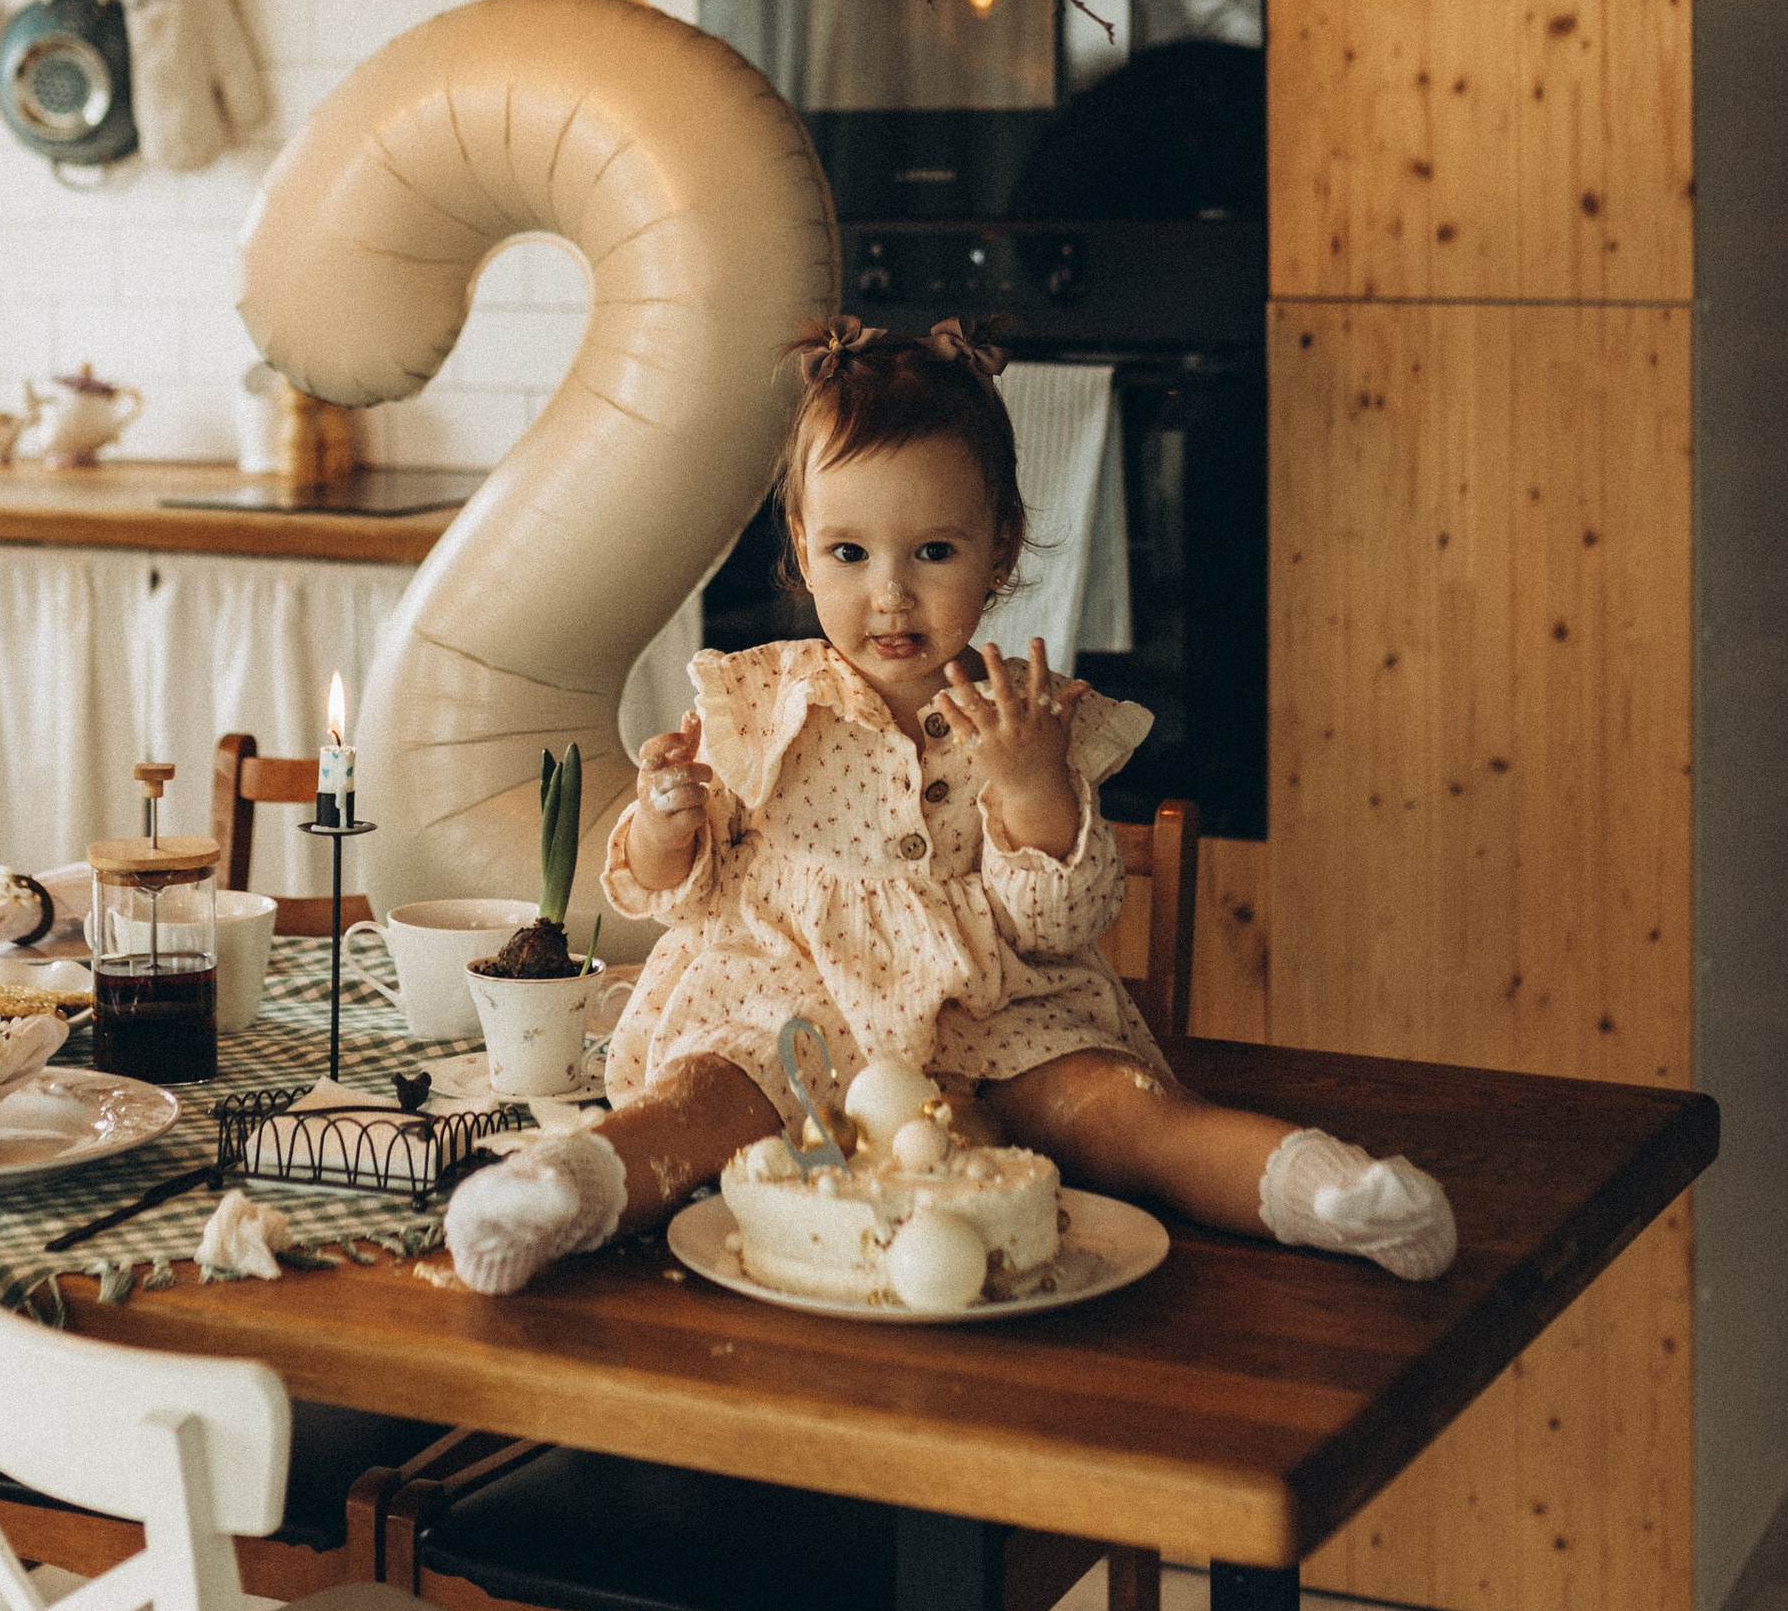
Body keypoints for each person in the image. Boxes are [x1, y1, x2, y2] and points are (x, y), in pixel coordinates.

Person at [443, 316, 1457, 1298]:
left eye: (931, 552)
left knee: (1128, 1116)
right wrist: (667, 822)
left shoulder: (1028, 718)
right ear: (801, 548)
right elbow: (671, 889)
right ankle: (549, 1195)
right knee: (691, 1107)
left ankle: (1333, 1193)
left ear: (1000, 546)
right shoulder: (755, 702)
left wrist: (1031, 785)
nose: (888, 595)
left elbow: (1059, 925)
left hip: (992, 1010)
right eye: (850, 554)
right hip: (783, 1015)